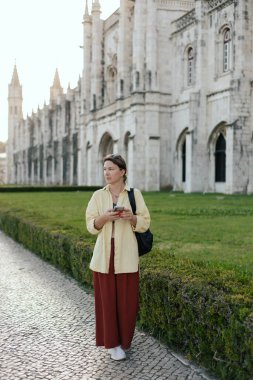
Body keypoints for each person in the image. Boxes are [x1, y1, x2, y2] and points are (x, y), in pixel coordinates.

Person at [85, 154, 151, 361]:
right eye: (105, 169)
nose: (107, 172)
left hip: (127, 255)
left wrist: (130, 217)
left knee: (128, 302)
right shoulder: (97, 196)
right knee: (107, 302)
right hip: (103, 256)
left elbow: (145, 222)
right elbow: (90, 226)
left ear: (123, 172)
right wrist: (104, 218)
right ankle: (112, 344)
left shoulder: (135, 194)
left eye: (111, 169)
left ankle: (125, 341)